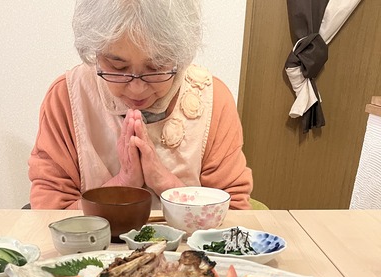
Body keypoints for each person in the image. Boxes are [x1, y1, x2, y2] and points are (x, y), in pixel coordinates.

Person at [29, 0, 253, 211]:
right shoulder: (67, 98)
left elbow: (234, 213)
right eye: (117, 67)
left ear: (180, 55)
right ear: (95, 52)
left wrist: (164, 182)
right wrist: (122, 184)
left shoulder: (212, 101)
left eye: (156, 67)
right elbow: (50, 213)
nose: (137, 89)